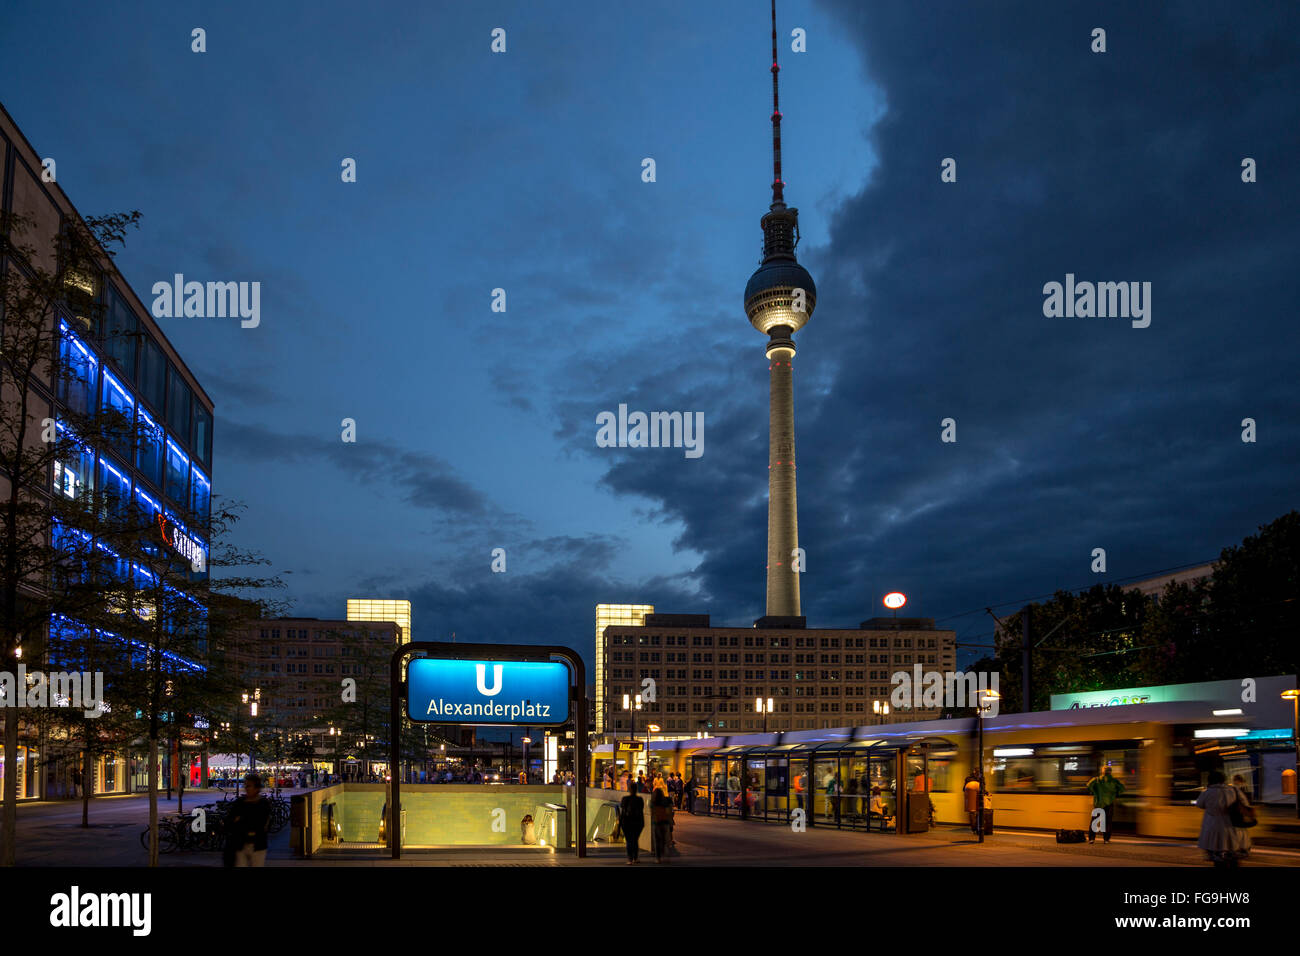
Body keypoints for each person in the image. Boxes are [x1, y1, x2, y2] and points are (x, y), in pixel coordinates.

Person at [1197, 770, 1251, 868]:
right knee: (1234, 859)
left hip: (1215, 830)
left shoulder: (1207, 792)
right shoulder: (1234, 790)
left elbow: (1199, 804)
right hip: (1234, 828)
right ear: (1223, 779)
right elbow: (1246, 805)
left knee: (1218, 861)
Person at [223, 773, 271, 868]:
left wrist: (240, 820)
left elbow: (259, 824)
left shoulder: (263, 804)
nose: (246, 788)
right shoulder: (240, 802)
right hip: (240, 844)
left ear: (257, 788)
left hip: (258, 844)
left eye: (249, 786)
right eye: (245, 785)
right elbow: (230, 821)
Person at [1086, 764, 1125, 844]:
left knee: (1095, 822)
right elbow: (1122, 789)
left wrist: (1094, 792)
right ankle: (1106, 839)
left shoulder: (1096, 780)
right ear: (1110, 772)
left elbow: (1088, 786)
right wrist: (1115, 794)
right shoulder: (1114, 781)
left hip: (1098, 804)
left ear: (1102, 772)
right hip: (1109, 804)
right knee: (1107, 822)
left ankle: (1091, 839)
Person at [619, 781, 645, 864]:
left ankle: (630, 859)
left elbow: (622, 812)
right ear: (636, 789)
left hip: (626, 823)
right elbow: (641, 811)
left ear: (629, 789)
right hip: (637, 823)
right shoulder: (640, 799)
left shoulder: (625, 799)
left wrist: (620, 823)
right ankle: (635, 858)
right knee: (635, 840)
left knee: (629, 841)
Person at [650, 785, 674, 862]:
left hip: (656, 823)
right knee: (664, 839)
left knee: (657, 840)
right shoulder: (665, 801)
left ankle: (658, 858)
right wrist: (670, 823)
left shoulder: (652, 802)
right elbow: (668, 813)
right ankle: (665, 853)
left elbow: (652, 813)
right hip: (665, 822)